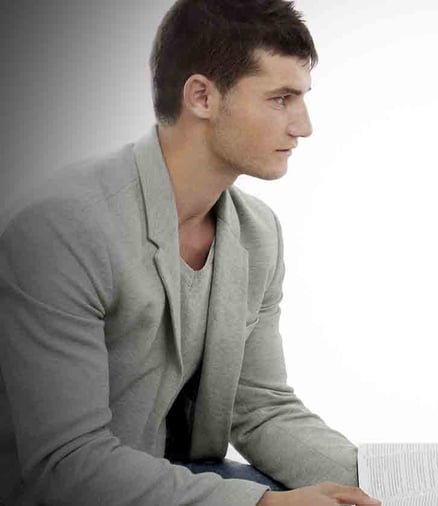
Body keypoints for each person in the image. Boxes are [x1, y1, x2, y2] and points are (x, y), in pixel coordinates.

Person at [0, 1, 380, 505]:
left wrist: (390, 483)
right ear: (202, 96)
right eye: (281, 99)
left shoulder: (257, 233)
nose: (303, 125)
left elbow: (260, 409)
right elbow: (65, 464)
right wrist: (263, 505)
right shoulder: (63, 229)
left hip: (180, 477)